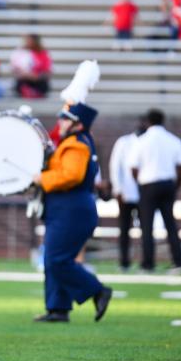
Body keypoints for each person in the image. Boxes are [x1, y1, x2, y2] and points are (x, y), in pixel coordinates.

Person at [32, 103, 113, 323]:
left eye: (66, 119)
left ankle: (98, 290)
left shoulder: (76, 145)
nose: (61, 122)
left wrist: (41, 178)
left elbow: (71, 176)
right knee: (52, 259)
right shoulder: (72, 142)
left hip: (71, 208)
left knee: (58, 259)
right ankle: (58, 308)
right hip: (65, 207)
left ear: (78, 123)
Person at [127, 109, 181, 273]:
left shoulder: (142, 141)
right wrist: (175, 186)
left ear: (148, 122)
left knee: (147, 226)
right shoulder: (173, 140)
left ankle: (148, 264)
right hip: (168, 185)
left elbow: (133, 167)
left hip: (148, 186)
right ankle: (178, 261)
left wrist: (140, 183)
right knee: (170, 224)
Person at [109, 117, 147, 272]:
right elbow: (115, 166)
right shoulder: (123, 142)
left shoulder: (148, 143)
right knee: (124, 230)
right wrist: (117, 189)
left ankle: (146, 262)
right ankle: (124, 262)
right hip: (126, 193)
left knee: (146, 230)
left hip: (144, 194)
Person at [10, 34, 52, 99]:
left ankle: (35, 93)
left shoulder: (43, 53)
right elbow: (14, 68)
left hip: (37, 79)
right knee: (19, 83)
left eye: (30, 41)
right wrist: (26, 75)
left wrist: (37, 76)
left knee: (44, 83)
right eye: (27, 40)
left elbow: (47, 70)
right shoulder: (20, 52)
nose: (28, 42)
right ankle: (27, 92)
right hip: (24, 78)